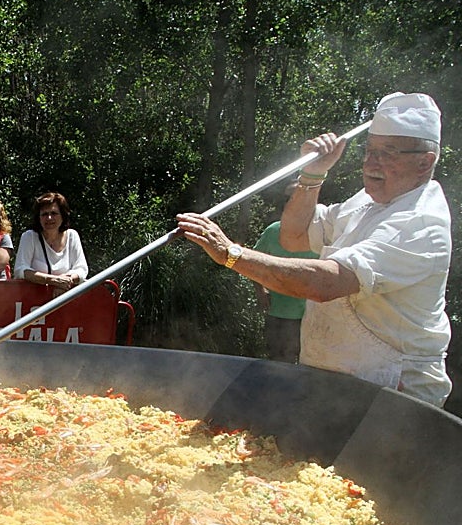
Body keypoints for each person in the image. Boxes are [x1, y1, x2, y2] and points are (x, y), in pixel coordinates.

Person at [177, 92, 452, 407]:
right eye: (370, 150)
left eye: (388, 152)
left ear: (424, 162)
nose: (371, 163)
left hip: (393, 391)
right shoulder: (365, 202)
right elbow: (294, 236)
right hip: (337, 381)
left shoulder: (419, 222)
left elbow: (327, 283)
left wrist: (231, 253)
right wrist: (313, 173)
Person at [249, 183, 314, 363]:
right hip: (277, 312)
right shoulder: (273, 231)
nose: (291, 202)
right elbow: (253, 263)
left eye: (296, 197)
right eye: (287, 198)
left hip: (309, 316)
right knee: (276, 361)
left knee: (306, 362)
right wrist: (260, 292)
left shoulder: (322, 232)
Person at [14, 192, 88, 290]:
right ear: (38, 218)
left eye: (54, 213)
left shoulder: (72, 235)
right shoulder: (29, 236)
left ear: (63, 215)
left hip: (66, 297)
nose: (49, 218)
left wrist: (64, 282)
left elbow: (81, 269)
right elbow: (20, 270)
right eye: (44, 214)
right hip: (33, 299)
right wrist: (51, 280)